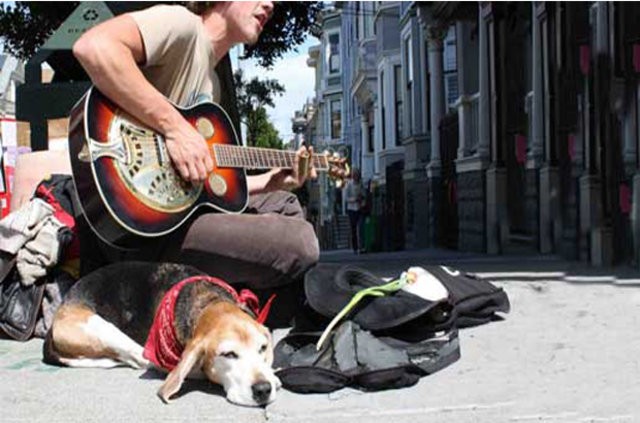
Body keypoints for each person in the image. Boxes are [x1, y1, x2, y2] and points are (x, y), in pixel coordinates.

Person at [71, 2, 320, 325]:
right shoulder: (182, 25)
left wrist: (269, 181)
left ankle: (229, 304)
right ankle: (226, 305)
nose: (271, 4)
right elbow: (93, 47)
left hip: (179, 213)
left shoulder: (211, 83)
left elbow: (205, 187)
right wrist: (174, 127)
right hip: (142, 228)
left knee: (285, 203)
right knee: (299, 243)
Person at [344, 168, 364, 254]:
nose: (356, 177)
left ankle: (361, 246)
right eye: (355, 175)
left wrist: (362, 199)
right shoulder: (349, 184)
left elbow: (363, 194)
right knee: (353, 229)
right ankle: (355, 247)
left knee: (360, 228)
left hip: (359, 208)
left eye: (358, 175)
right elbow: (346, 198)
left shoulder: (361, 184)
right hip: (351, 209)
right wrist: (354, 199)